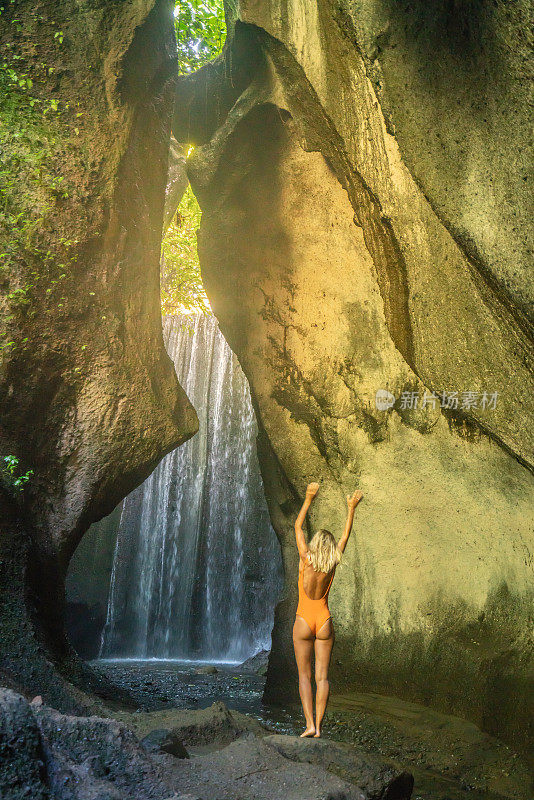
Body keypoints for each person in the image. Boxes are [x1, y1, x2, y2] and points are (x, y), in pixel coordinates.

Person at [293, 481, 363, 737]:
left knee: (304, 676)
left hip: (303, 618)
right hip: (324, 620)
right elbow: (345, 536)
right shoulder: (333, 560)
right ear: (330, 547)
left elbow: (298, 526)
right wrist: (351, 507)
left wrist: (309, 497)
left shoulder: (305, 557)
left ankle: (309, 725)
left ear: (314, 543)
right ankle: (320, 728)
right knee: (322, 677)